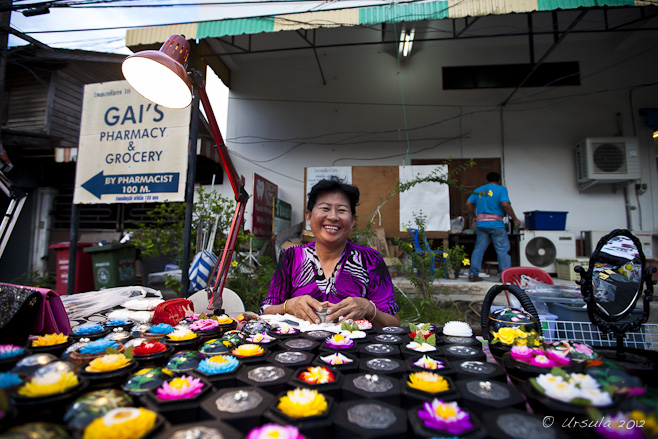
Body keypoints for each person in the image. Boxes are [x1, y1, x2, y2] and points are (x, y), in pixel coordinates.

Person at [261, 176, 400, 326]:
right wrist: (288, 306)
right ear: (309, 217)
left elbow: (394, 323)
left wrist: (369, 308)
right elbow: (265, 312)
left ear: (352, 221)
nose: (333, 217)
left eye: (341, 210)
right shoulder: (292, 256)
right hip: (298, 347)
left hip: (354, 348)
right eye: (325, 208)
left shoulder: (370, 259)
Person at [465, 172, 521, 282]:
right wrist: (515, 218)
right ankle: (505, 276)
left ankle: (473, 274)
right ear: (499, 180)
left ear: (487, 180)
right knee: (502, 250)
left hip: (481, 224)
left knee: (479, 249)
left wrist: (474, 217)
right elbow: (505, 204)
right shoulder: (501, 189)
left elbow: (468, 203)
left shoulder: (478, 190)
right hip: (496, 224)